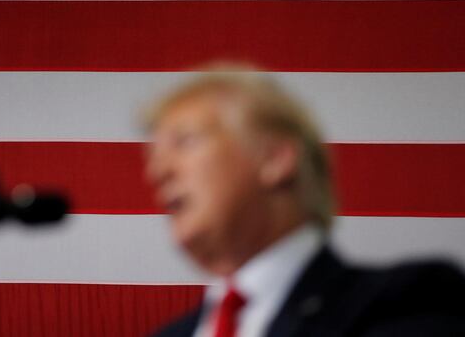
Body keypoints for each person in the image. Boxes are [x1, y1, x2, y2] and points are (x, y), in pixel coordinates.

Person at [143, 66, 465, 337]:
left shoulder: (408, 303)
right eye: (154, 156)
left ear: (274, 158)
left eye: (185, 141)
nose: (158, 170)